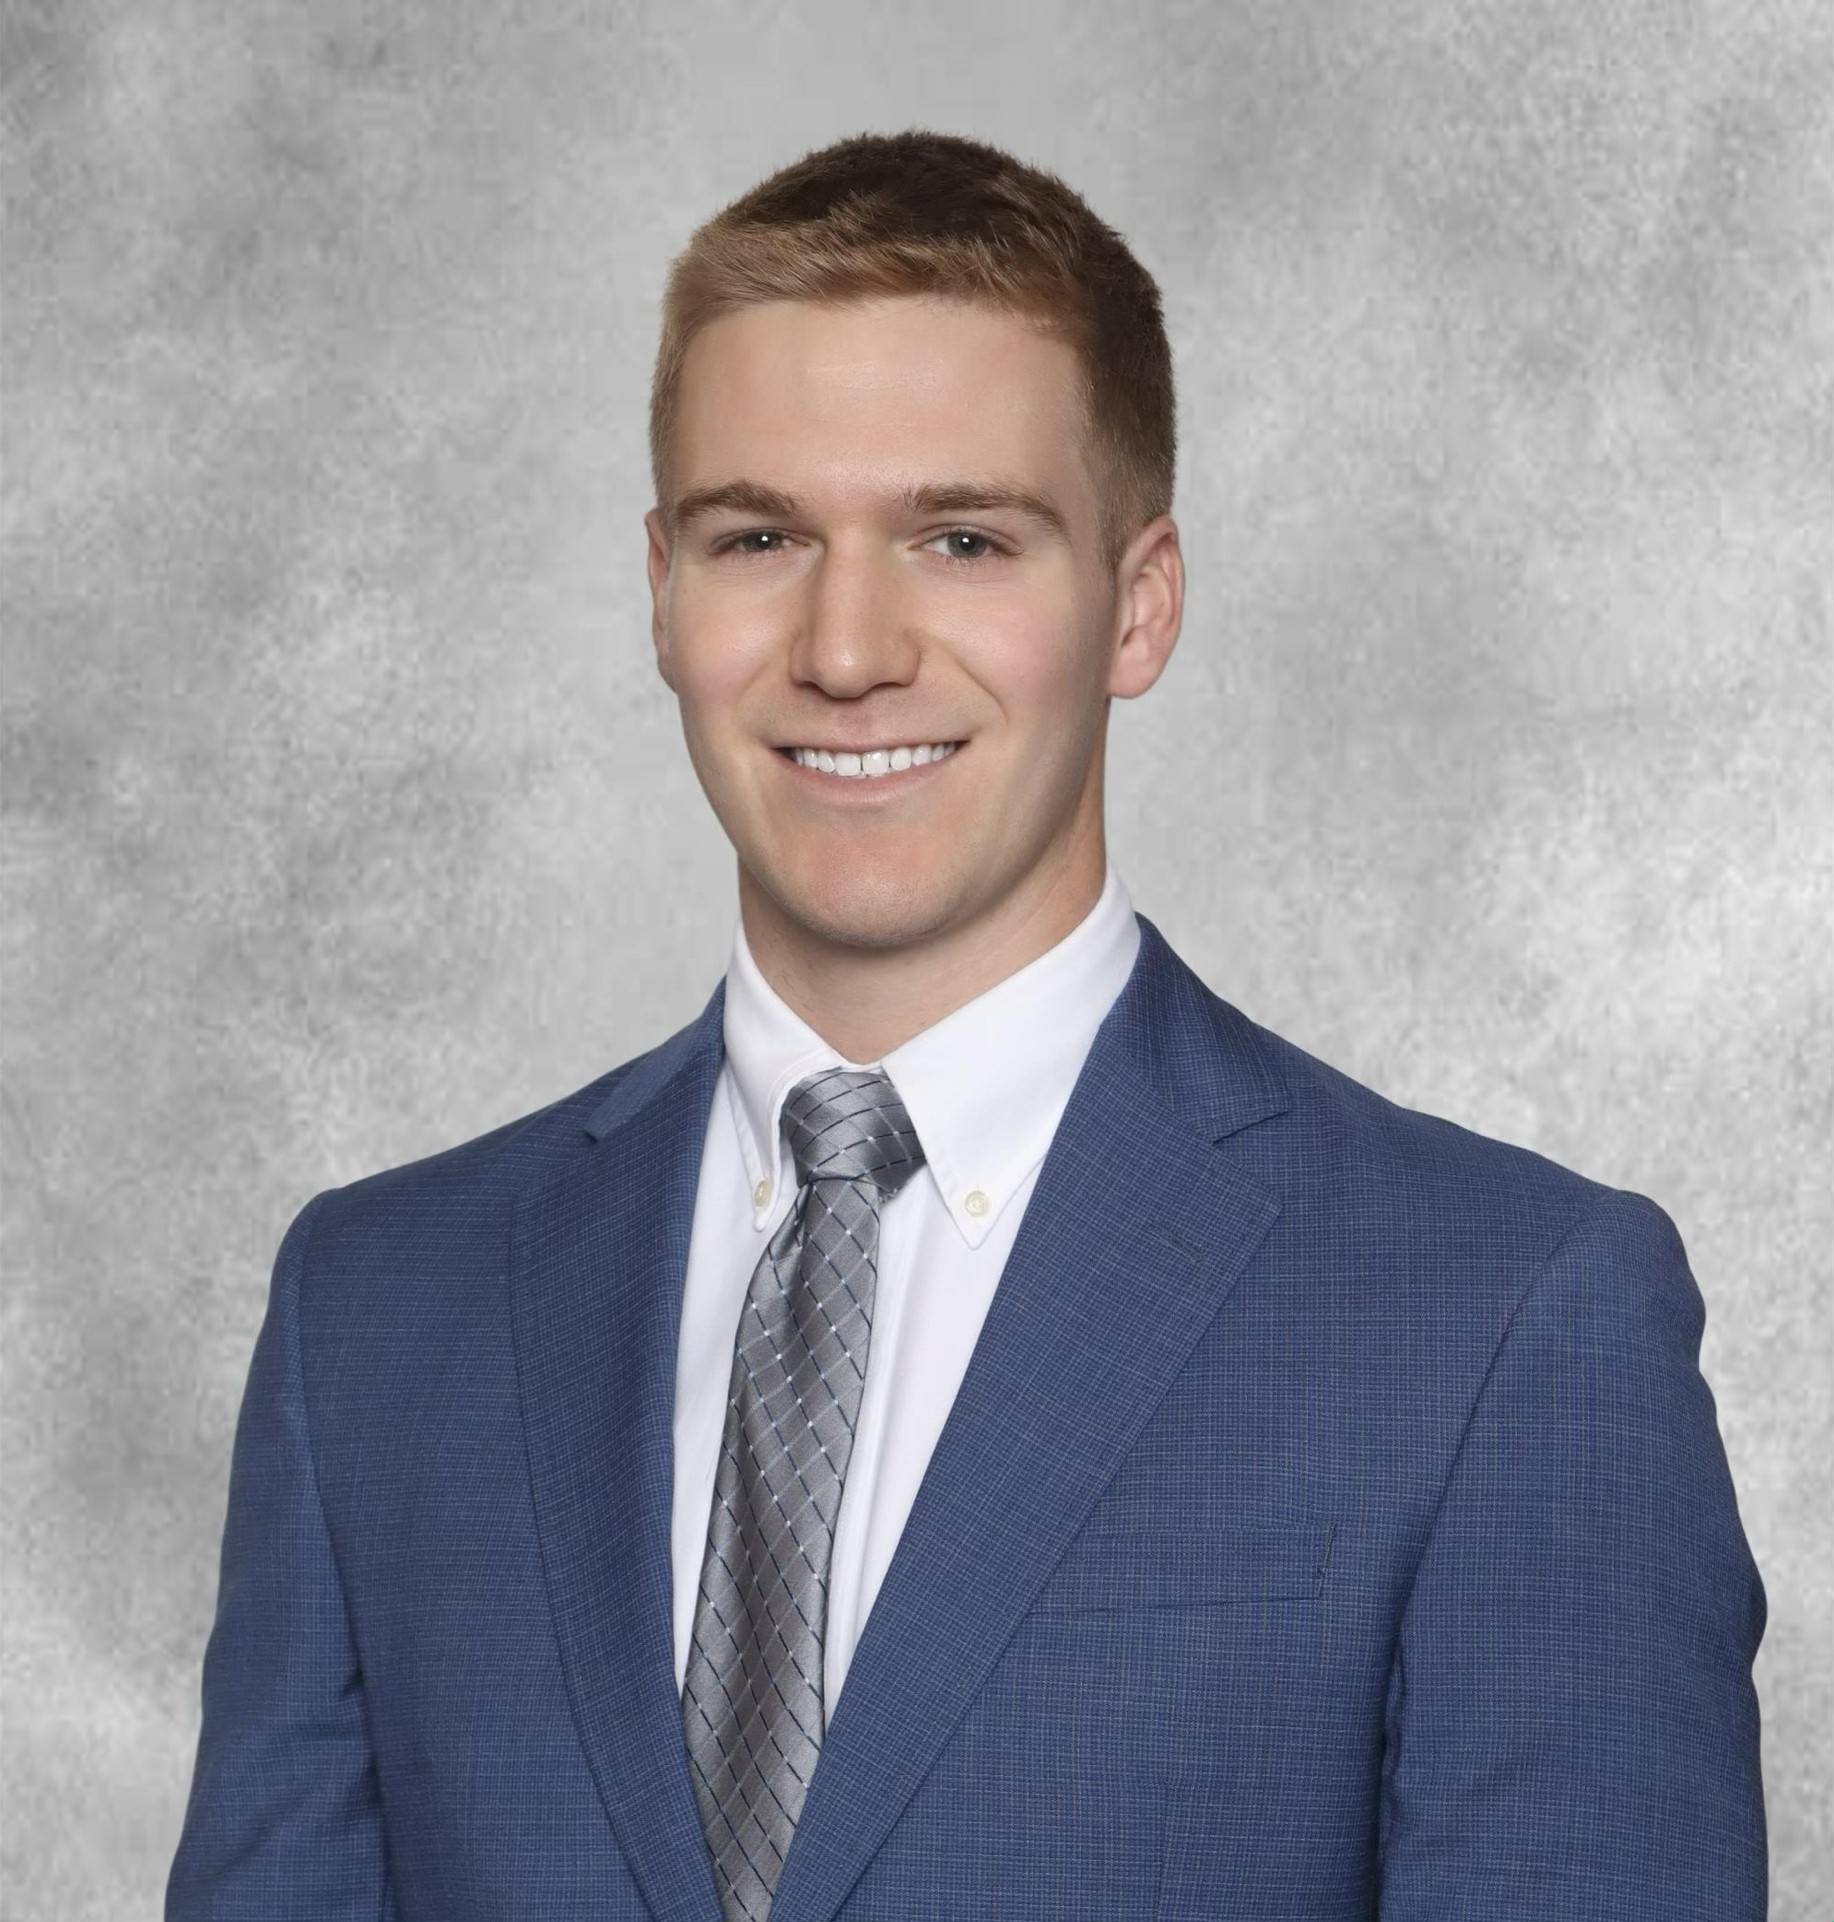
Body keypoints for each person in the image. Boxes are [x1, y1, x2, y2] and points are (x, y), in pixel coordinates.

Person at [166, 129, 1768, 1921]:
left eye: (961, 536)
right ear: (661, 589)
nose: (847, 646)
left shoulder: (1498, 1318)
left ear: (1136, 602)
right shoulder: (378, 1311)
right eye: (758, 534)